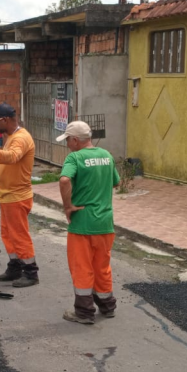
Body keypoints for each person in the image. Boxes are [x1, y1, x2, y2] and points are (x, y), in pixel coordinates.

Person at [57, 120, 120, 325]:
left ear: (76, 140)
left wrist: (68, 206)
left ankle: (84, 312)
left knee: (82, 267)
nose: (67, 144)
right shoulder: (106, 155)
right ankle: (107, 306)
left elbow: (64, 180)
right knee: (102, 266)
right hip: (105, 223)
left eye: (68, 140)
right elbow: (116, 182)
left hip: (82, 223)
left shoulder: (75, 158)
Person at [0, 103, 37, 287]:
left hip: (17, 196)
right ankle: (15, 267)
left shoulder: (21, 138)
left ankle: (30, 272)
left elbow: (12, 157)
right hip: (8, 196)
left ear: (5, 120)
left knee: (19, 235)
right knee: (8, 234)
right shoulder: (11, 136)